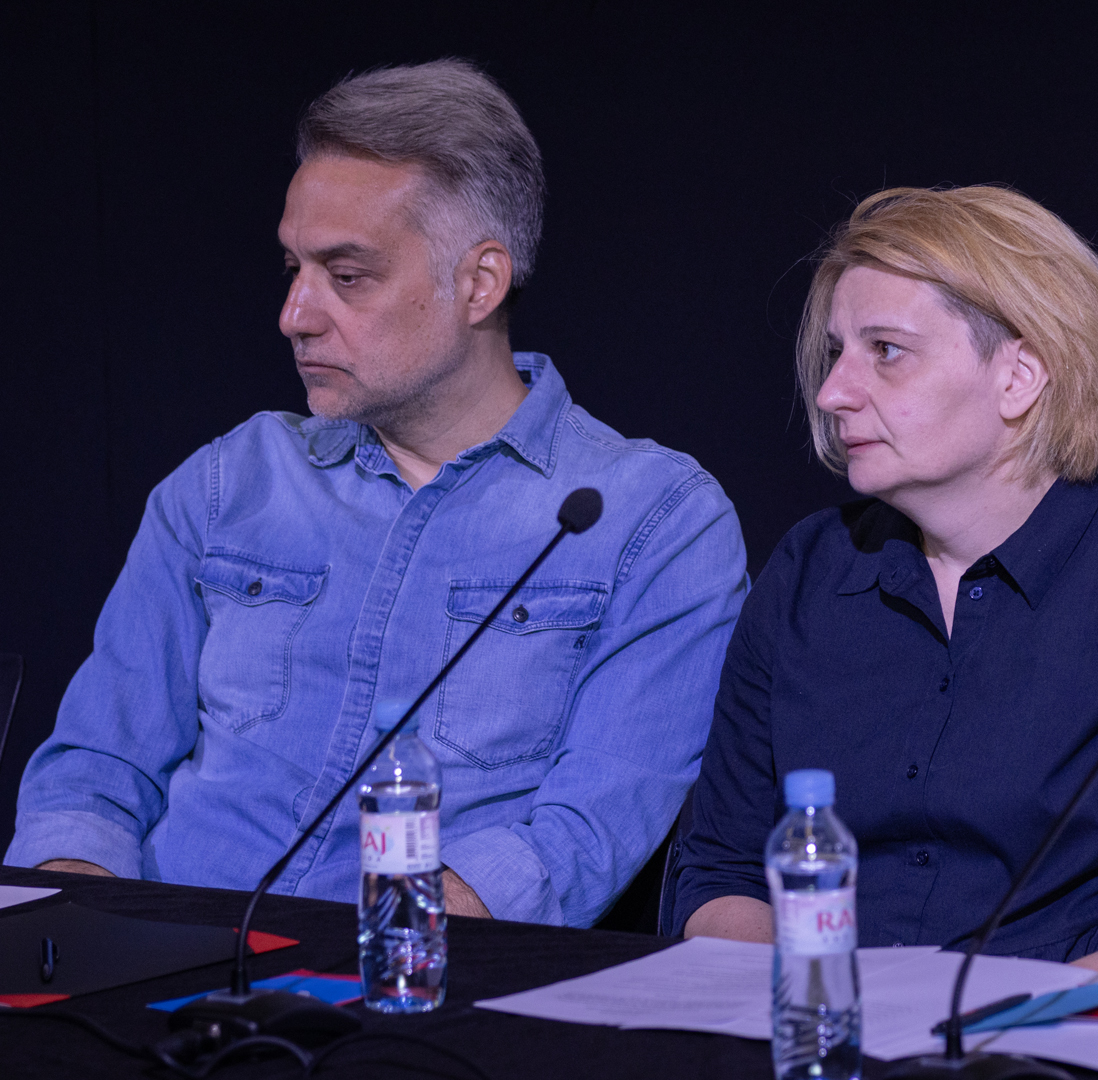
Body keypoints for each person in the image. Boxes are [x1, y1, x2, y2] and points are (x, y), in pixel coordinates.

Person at [5, 60, 749, 928]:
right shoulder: (225, 483)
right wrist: (77, 940)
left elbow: (582, 832)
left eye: (347, 275)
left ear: (479, 282)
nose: (294, 314)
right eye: (293, 267)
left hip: (415, 981)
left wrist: (379, 956)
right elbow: (96, 770)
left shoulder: (653, 521)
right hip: (161, 968)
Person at [668, 186, 1098, 974]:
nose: (832, 392)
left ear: (1019, 377)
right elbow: (720, 875)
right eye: (837, 353)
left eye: (886, 350)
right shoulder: (806, 575)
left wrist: (989, 1023)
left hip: (1067, 1030)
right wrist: (818, 1000)